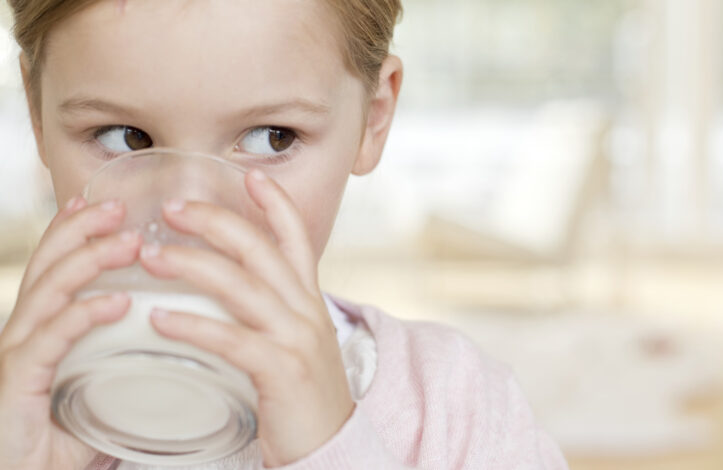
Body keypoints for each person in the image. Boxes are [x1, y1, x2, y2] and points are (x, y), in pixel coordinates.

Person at [0, 1, 569, 469]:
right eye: (125, 137)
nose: (185, 211)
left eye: (273, 138)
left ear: (372, 118)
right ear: (37, 112)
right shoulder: (15, 409)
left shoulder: (455, 408)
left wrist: (331, 450)